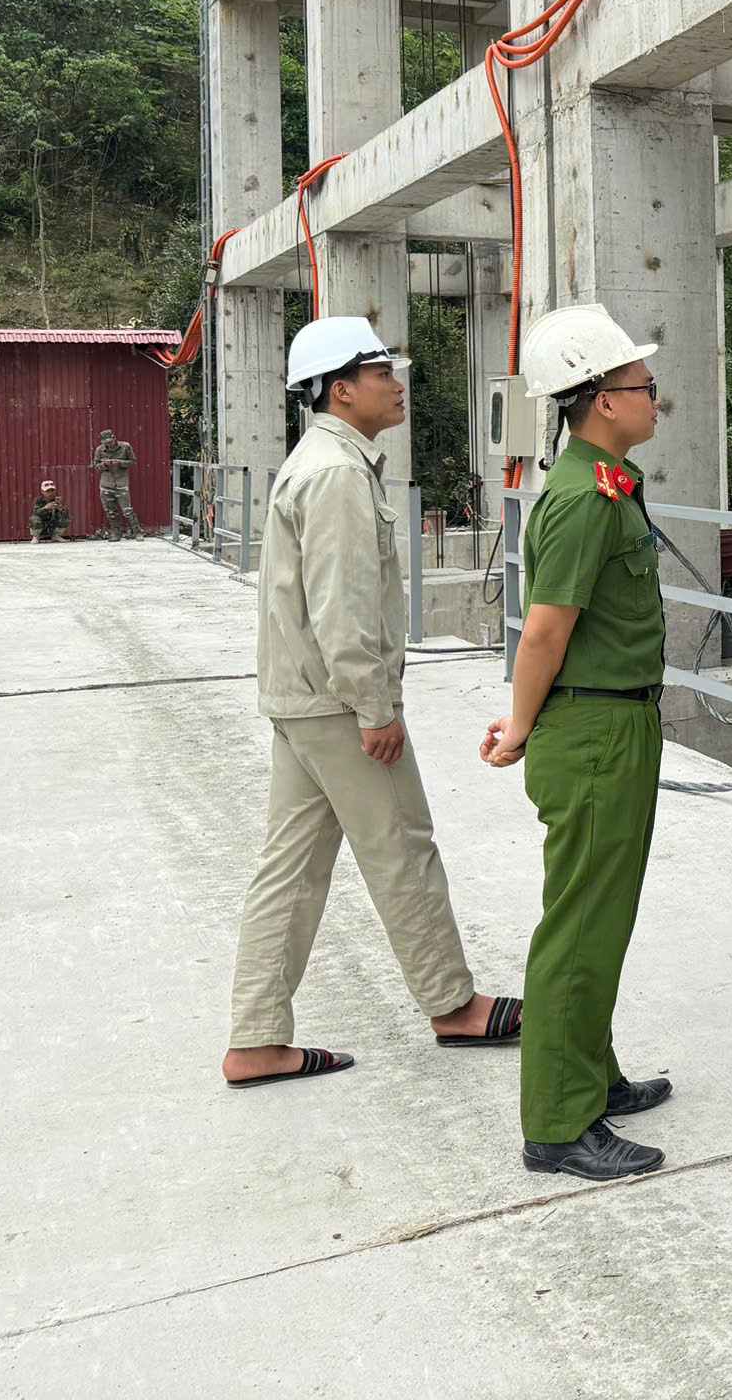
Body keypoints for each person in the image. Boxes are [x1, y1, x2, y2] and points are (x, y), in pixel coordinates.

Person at [222, 315, 517, 1089]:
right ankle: (453, 1005)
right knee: (403, 847)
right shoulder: (336, 476)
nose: (398, 383)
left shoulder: (324, 462)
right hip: (337, 705)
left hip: (302, 701)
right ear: (341, 389)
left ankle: (256, 1039)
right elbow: (343, 608)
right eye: (383, 371)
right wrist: (375, 708)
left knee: (290, 869)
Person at [479, 304, 678, 1182]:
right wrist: (518, 728)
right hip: (594, 729)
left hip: (617, 720)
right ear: (600, 401)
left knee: (605, 917)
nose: (655, 399)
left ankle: (590, 1076)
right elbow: (544, 633)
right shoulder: (580, 498)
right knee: (580, 926)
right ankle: (559, 1124)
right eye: (642, 387)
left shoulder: (609, 483)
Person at [92, 427, 141, 539]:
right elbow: (96, 466)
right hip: (106, 484)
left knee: (127, 510)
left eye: (110, 442)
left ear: (114, 439)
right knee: (111, 512)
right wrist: (105, 464)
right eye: (106, 443)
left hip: (121, 483)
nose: (108, 444)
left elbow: (133, 462)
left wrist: (119, 463)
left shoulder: (125, 447)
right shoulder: (100, 450)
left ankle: (137, 532)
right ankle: (116, 533)